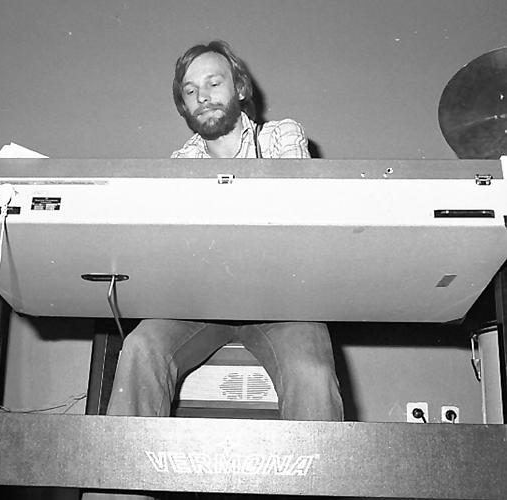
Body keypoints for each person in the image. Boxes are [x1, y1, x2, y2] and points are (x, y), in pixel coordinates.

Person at [82, 40, 343, 500]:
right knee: (141, 346)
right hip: (199, 305)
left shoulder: (281, 136)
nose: (202, 96)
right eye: (190, 91)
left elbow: (300, 211)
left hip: (281, 304)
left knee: (311, 369)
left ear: (239, 88)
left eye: (213, 83)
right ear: (183, 106)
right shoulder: (181, 163)